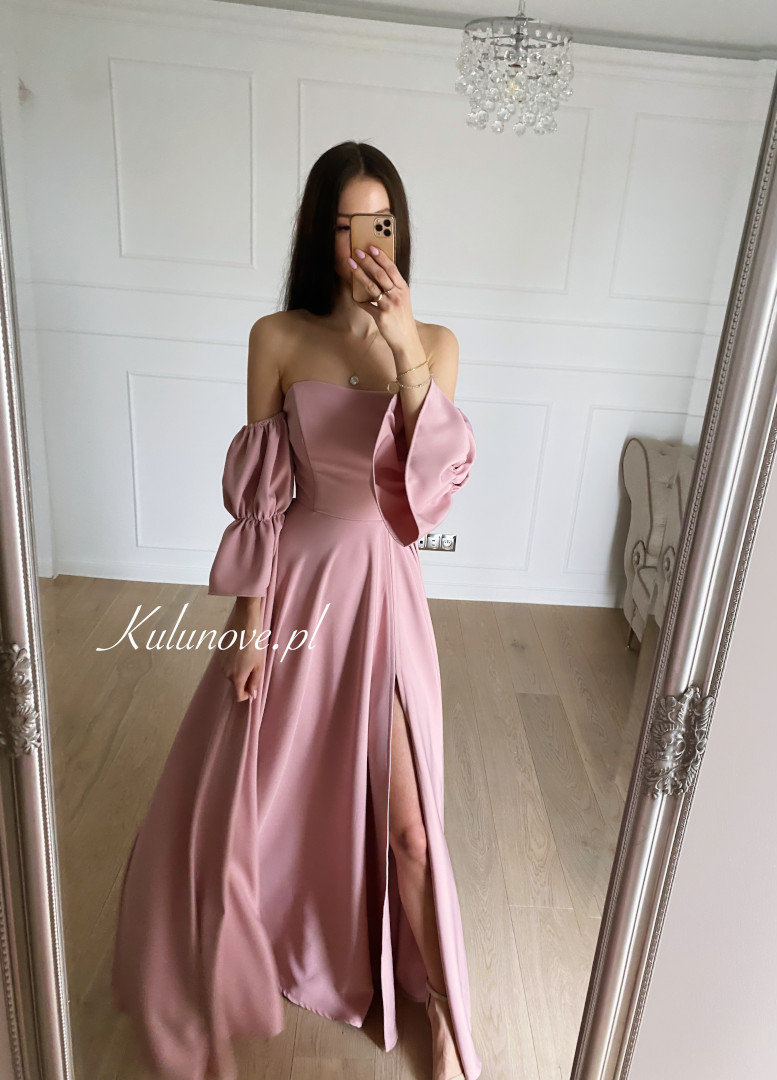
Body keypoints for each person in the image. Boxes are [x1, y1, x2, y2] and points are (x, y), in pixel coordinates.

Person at [111, 141, 482, 1080]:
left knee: (410, 829)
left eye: (382, 223)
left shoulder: (435, 344)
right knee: (254, 805)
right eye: (349, 225)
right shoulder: (275, 337)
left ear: (400, 229)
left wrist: (403, 347)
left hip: (385, 594)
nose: (368, 244)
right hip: (296, 593)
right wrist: (248, 621)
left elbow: (427, 498)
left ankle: (440, 1007)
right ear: (322, 234)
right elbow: (261, 500)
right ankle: (252, 946)